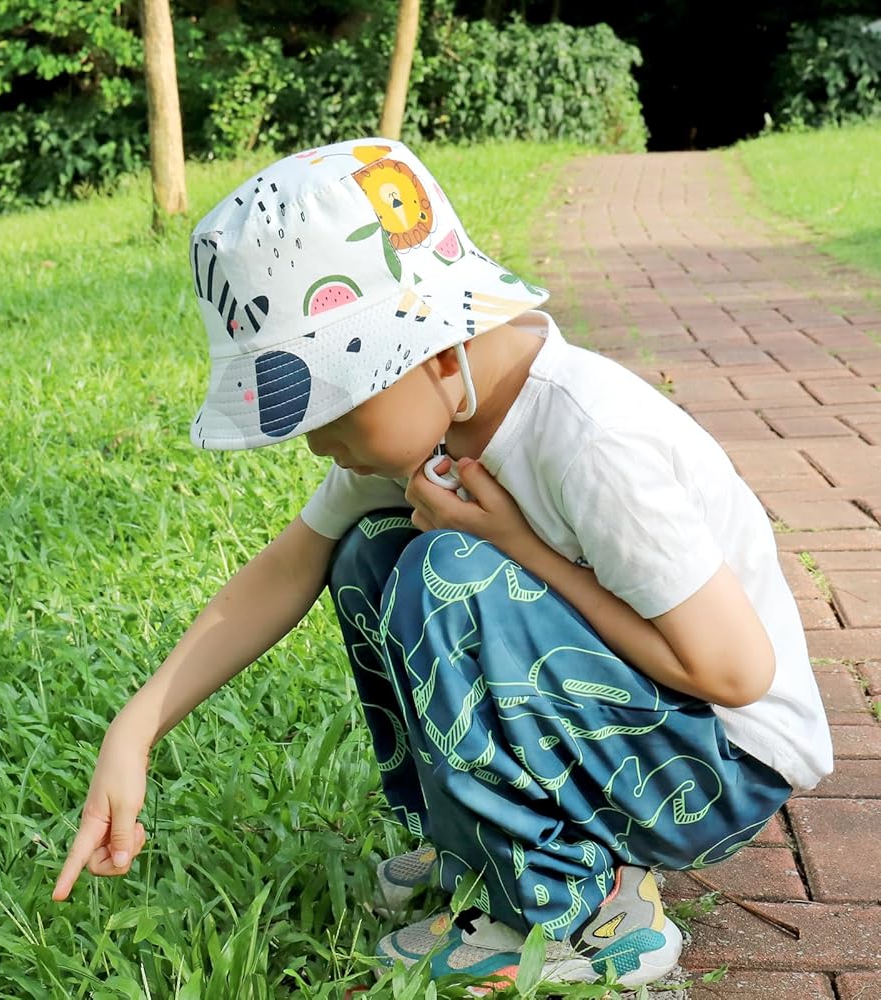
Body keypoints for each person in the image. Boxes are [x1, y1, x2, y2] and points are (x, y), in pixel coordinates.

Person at [52, 137, 833, 991]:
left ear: (428, 350)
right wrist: (135, 730)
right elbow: (288, 567)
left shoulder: (588, 438)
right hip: (643, 731)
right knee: (368, 554)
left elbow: (732, 670)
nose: (316, 440)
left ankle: (577, 906)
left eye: (331, 402)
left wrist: (520, 548)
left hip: (716, 765)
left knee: (447, 574)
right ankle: (478, 850)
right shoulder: (431, 431)